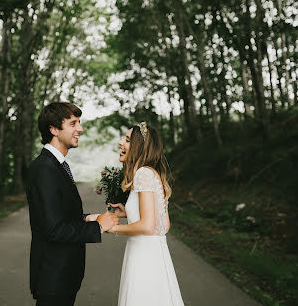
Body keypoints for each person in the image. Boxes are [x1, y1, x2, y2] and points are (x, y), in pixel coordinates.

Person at [25, 102, 119, 306]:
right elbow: (54, 230)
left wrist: (86, 218)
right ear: (54, 130)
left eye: (79, 122)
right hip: (53, 278)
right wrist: (98, 226)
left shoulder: (56, 165)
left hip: (63, 277)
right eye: (73, 123)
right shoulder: (44, 169)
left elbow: (56, 215)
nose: (80, 129)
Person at [108, 122, 185, 306]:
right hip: (156, 255)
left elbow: (148, 225)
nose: (120, 142)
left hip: (142, 258)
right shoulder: (153, 173)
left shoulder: (143, 174)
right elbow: (163, 225)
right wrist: (130, 213)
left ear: (138, 147)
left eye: (127, 140)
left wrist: (112, 228)